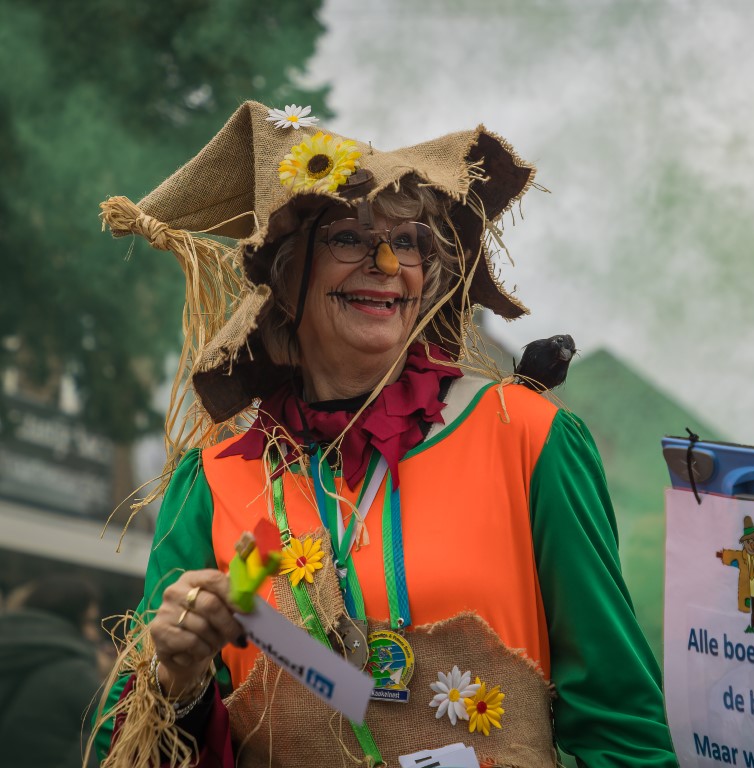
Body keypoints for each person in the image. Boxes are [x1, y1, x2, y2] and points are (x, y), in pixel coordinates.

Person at [90, 101, 677, 767]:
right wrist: (178, 682)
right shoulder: (216, 479)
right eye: (349, 237)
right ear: (286, 271)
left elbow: (623, 732)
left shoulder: (528, 438)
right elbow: (128, 750)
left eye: (412, 242)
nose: (389, 264)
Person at [0, 575, 105, 768]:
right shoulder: (75, 674)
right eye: (89, 621)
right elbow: (111, 734)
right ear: (70, 617)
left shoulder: (9, 645)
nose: (95, 633)